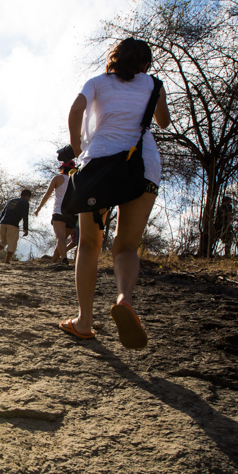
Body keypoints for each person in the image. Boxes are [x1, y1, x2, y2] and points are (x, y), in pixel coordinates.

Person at [59, 37, 170, 348]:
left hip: (100, 166)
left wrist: (78, 149)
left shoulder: (96, 82)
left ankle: (83, 322)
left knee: (89, 245)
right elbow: (163, 122)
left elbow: (76, 110)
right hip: (142, 166)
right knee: (126, 247)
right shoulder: (154, 84)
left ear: (113, 59)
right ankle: (124, 300)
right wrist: (155, 95)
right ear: (145, 64)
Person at [34, 158, 77, 265]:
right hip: (73, 214)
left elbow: (47, 195)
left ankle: (64, 259)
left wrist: (39, 208)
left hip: (59, 211)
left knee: (60, 238)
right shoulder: (77, 179)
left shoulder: (57, 178)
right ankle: (53, 261)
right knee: (62, 239)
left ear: (62, 168)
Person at [0, 189, 31, 264]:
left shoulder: (11, 200)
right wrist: (26, 228)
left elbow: (3, 212)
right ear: (27, 196)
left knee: (3, 241)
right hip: (13, 224)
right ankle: (6, 261)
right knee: (12, 243)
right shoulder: (25, 202)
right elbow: (25, 216)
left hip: (2, 223)